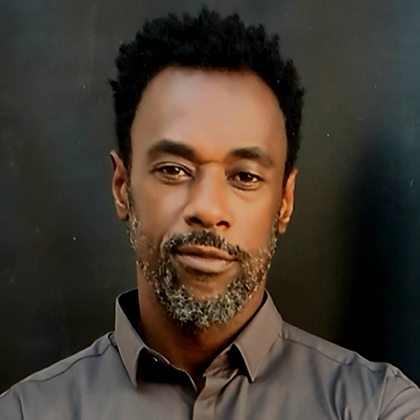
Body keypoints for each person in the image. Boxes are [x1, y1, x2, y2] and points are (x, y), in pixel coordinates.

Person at [1, 7, 419, 420]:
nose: (207, 208)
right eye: (174, 170)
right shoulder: (26, 412)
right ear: (122, 187)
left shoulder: (379, 407)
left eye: (245, 176)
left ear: (285, 201)